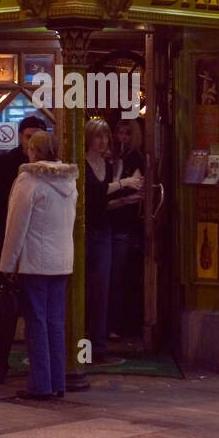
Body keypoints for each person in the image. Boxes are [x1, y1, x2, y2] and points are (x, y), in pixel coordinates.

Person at [1, 131, 78, 400]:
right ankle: (57, 382)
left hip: (35, 262)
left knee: (36, 322)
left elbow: (16, 226)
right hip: (62, 261)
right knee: (56, 322)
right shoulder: (70, 181)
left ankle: (40, 384)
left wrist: (8, 263)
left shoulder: (29, 181)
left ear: (35, 151)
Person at [0, 114, 46, 382]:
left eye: (38, 138)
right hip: (7, 246)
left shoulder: (50, 169)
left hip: (38, 249)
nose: (33, 144)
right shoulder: (3, 165)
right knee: (3, 306)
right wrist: (1, 238)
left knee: (37, 310)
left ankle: (40, 366)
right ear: (20, 137)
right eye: (29, 137)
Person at [84, 119, 141, 362]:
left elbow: (101, 205)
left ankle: (98, 345)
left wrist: (124, 201)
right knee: (81, 287)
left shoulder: (106, 165)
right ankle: (78, 340)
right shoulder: (82, 163)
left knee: (102, 288)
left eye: (106, 137)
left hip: (103, 230)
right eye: (99, 137)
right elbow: (90, 194)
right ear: (88, 139)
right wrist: (123, 183)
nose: (104, 142)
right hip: (83, 232)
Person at [108, 119, 144, 340]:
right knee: (111, 275)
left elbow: (137, 187)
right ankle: (110, 324)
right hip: (111, 219)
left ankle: (119, 325)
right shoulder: (114, 157)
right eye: (119, 132)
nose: (122, 137)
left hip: (124, 223)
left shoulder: (135, 158)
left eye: (127, 134)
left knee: (119, 275)